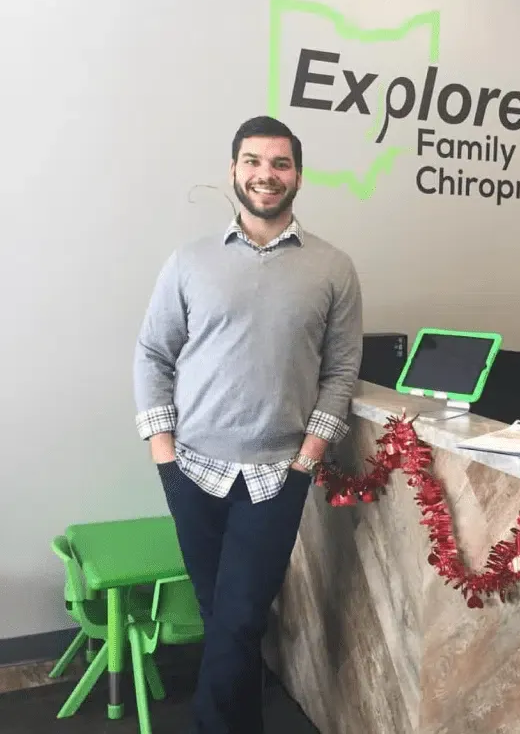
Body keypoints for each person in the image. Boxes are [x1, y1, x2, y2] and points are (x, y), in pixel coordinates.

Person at [133, 115, 363, 734]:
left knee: (237, 619)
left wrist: (307, 460)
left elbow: (341, 374)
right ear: (233, 171)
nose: (267, 175)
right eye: (254, 162)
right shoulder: (189, 261)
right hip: (193, 470)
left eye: (280, 164)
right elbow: (153, 354)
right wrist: (164, 455)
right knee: (225, 618)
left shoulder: (333, 268)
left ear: (298, 176)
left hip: (276, 476)